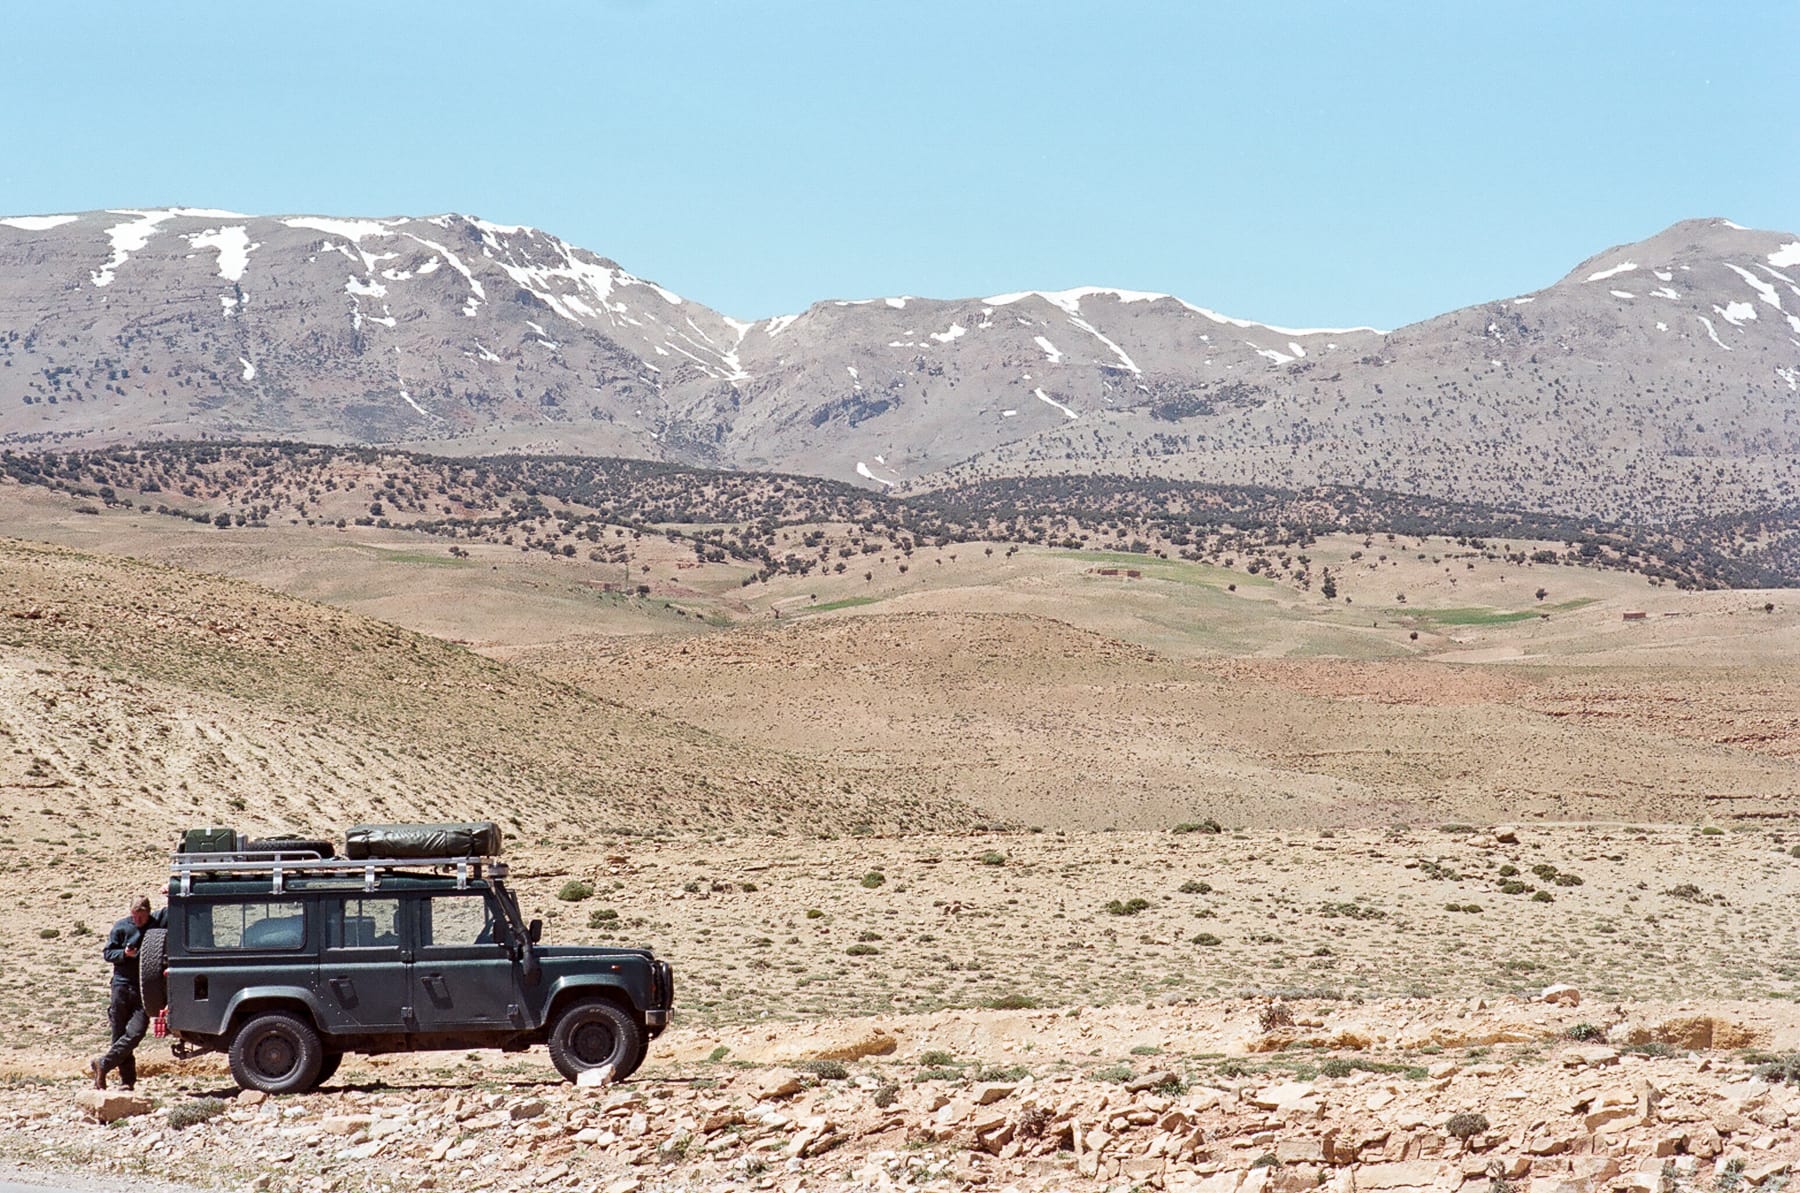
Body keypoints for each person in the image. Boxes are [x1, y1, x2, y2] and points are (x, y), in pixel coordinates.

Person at [91, 895, 166, 1090]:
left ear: (148, 913)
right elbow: (108, 953)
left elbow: (175, 908)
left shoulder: (157, 923)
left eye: (141, 916)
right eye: (134, 916)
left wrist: (170, 889)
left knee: (135, 1033)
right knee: (119, 1035)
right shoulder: (121, 927)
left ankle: (103, 1064)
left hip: (145, 988)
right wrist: (124, 954)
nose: (137, 920)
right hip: (121, 987)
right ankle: (127, 1082)